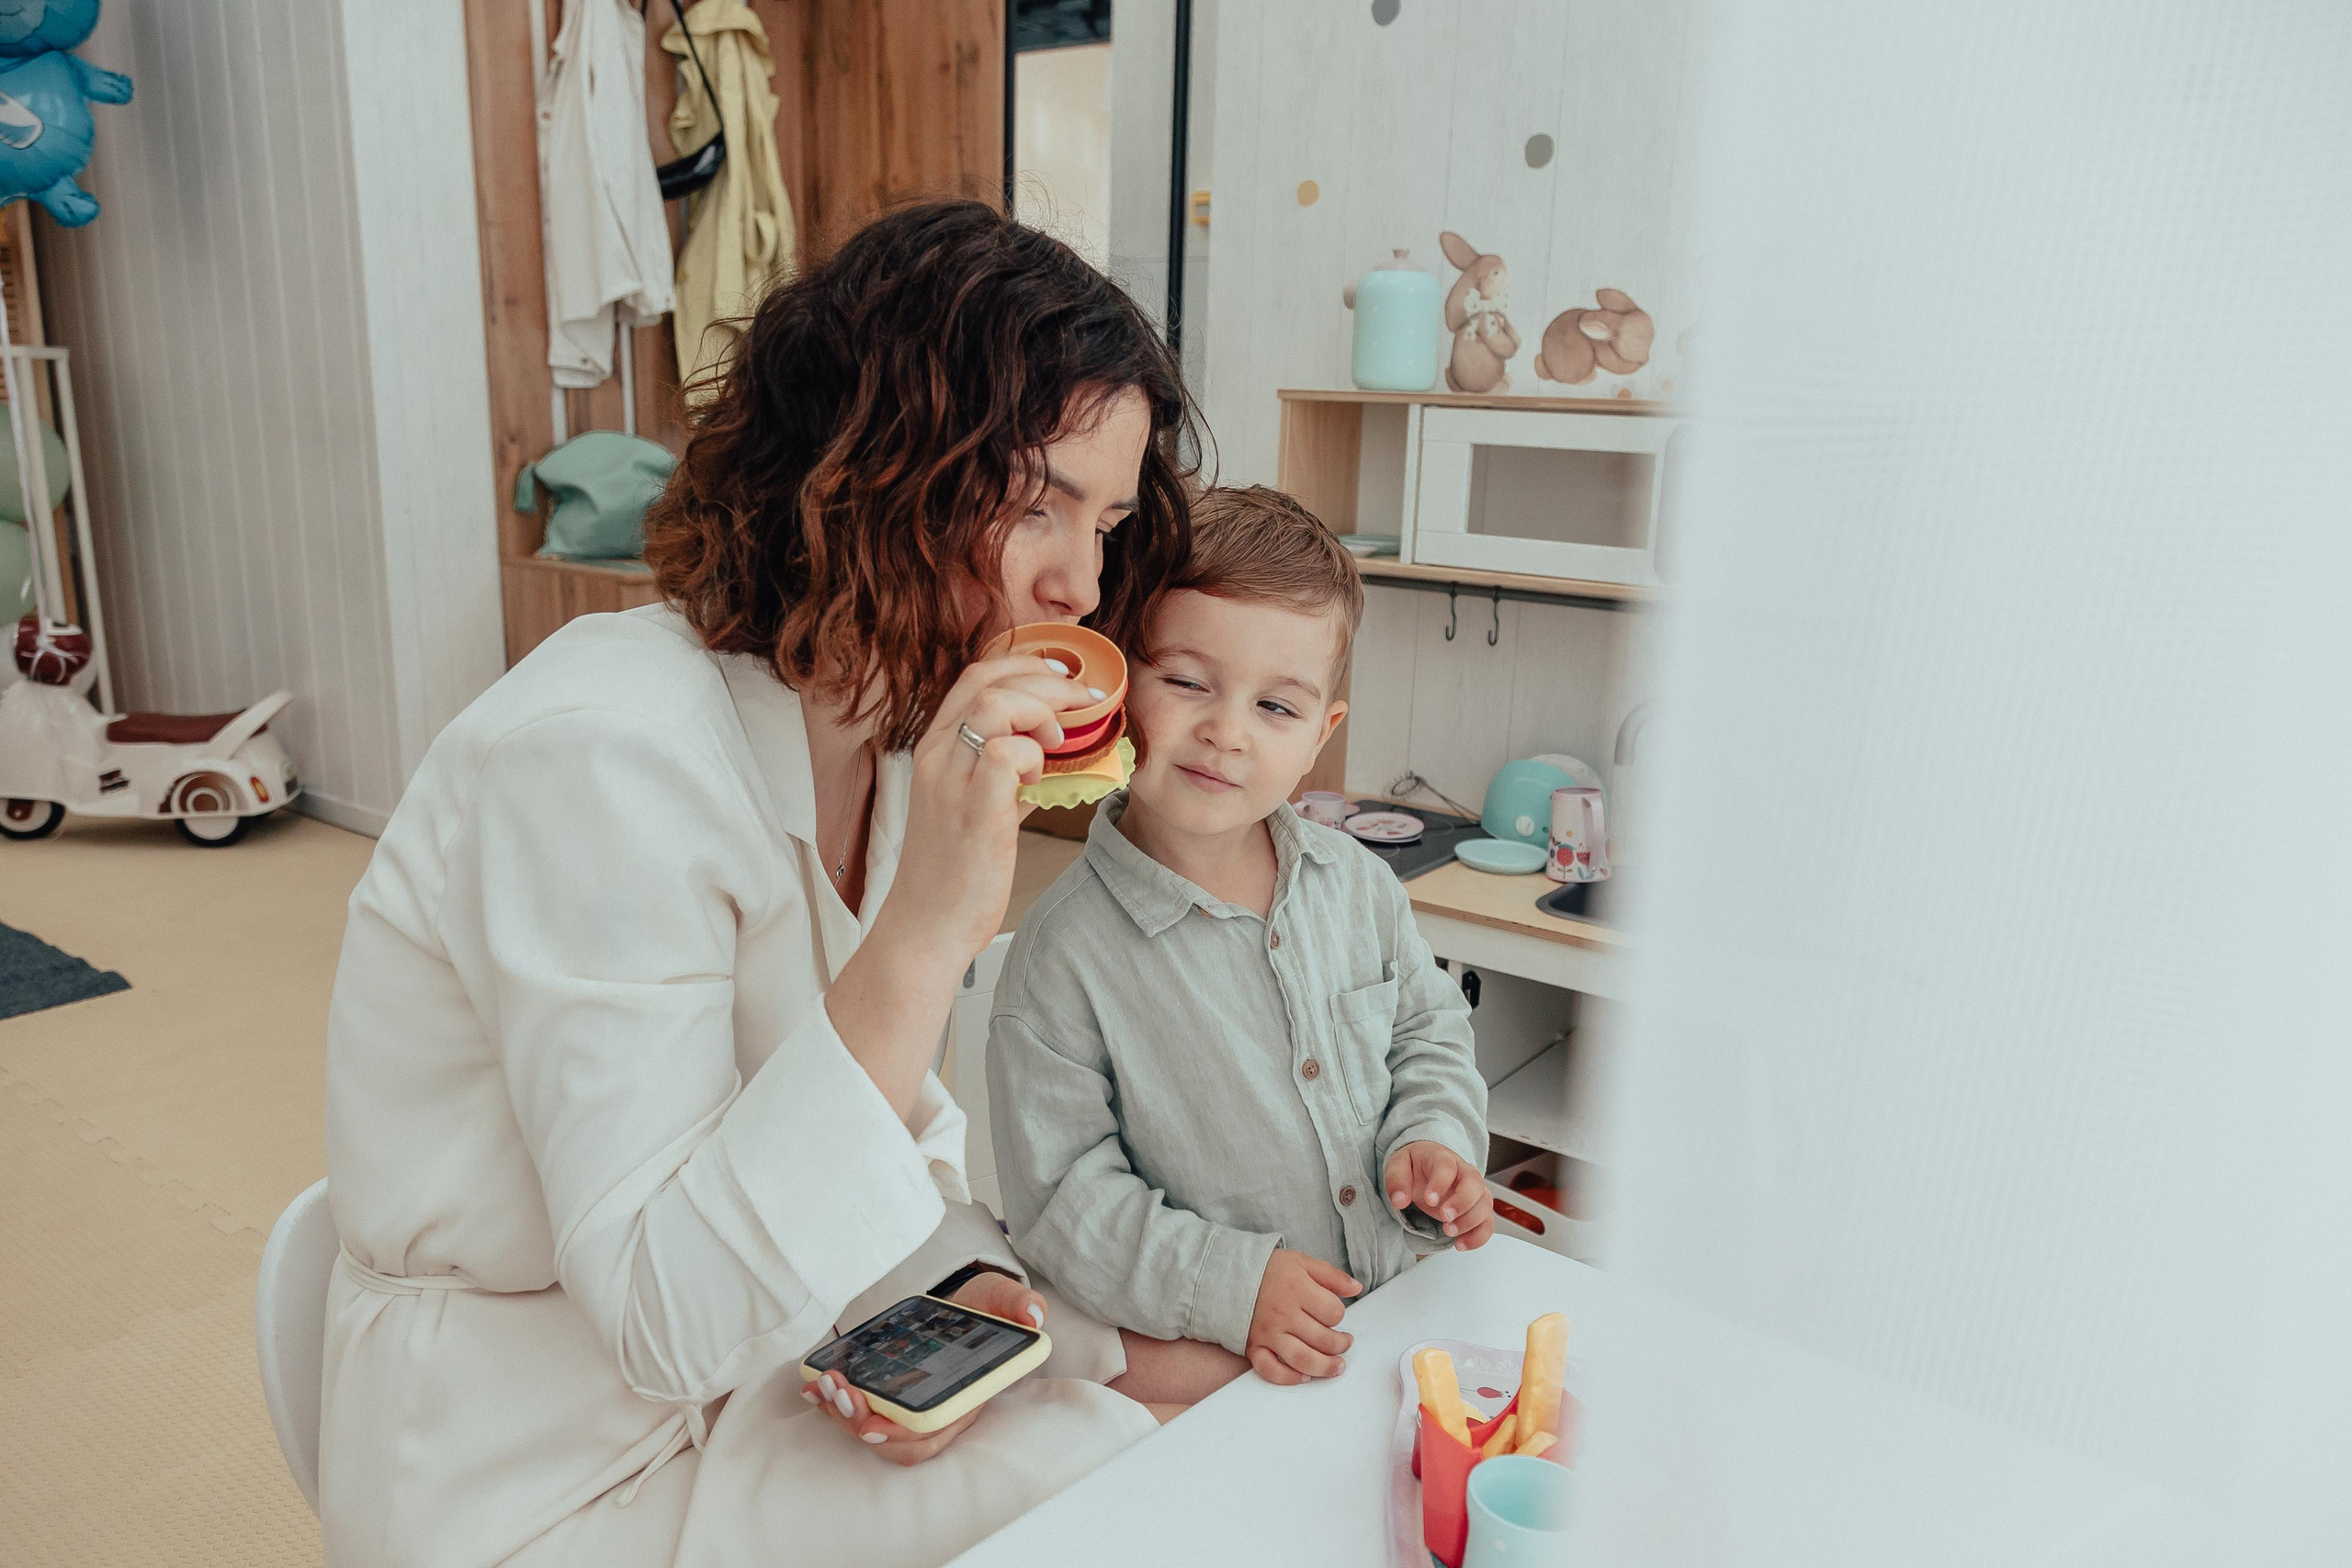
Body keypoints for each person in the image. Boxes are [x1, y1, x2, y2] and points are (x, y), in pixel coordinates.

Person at [319, 202, 1197, 1568]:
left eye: (1111, 520)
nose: (1079, 580)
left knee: (1124, 1445)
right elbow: (664, 1318)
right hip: (536, 1450)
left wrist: (1022, 1323)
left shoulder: (897, 727)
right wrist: (933, 922)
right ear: (864, 468)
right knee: (1110, 1499)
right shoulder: (603, 754)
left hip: (772, 1361)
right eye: (1034, 500)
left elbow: (901, 1130)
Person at [986, 487, 1495, 1403]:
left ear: (1319, 738)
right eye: (1186, 681)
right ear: (1112, 680)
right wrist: (1231, 1282)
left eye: (1276, 707)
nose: (1225, 731)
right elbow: (1064, 1200)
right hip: (1229, 1377)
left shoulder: (1359, 886)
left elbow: (1428, 1033)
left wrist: (1436, 1136)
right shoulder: (1061, 958)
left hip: (1403, 1333)